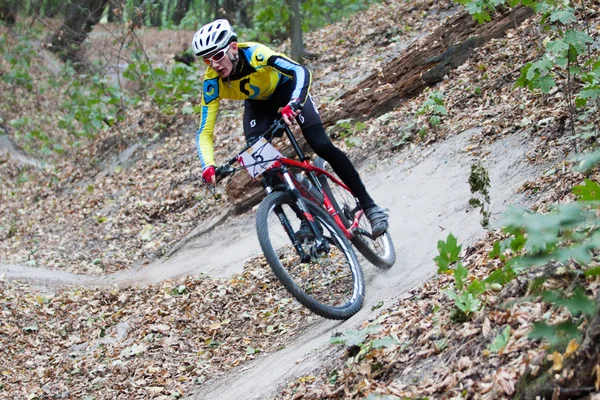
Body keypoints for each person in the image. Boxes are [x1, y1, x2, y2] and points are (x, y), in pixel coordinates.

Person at [192, 19, 389, 237]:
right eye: (207, 60)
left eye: (217, 56)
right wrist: (208, 165)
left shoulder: (256, 54)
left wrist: (294, 102)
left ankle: (370, 206)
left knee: (321, 144)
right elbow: (204, 132)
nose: (214, 65)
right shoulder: (212, 83)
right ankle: (307, 217)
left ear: (233, 48)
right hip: (258, 105)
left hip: (288, 91)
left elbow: (300, 71)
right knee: (260, 162)